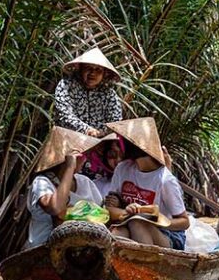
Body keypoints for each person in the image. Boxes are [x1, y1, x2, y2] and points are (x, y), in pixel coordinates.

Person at [104, 118, 190, 250]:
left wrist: (156, 219)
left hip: (168, 234)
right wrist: (128, 212)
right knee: (118, 232)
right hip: (129, 223)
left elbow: (184, 222)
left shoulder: (165, 180)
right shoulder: (122, 169)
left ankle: (148, 265)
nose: (120, 145)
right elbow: (109, 208)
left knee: (137, 223)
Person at [24, 127, 103, 249]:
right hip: (44, 248)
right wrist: (69, 167)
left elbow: (101, 212)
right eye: (82, 155)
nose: (85, 159)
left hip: (84, 247)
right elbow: (55, 208)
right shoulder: (42, 182)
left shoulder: (85, 182)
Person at [54, 47, 122, 138]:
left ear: (104, 74)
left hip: (100, 142)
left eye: (98, 70)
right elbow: (64, 115)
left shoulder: (109, 93)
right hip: (70, 139)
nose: (92, 73)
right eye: (88, 68)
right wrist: (87, 130)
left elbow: (116, 121)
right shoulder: (67, 85)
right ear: (80, 69)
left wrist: (106, 137)